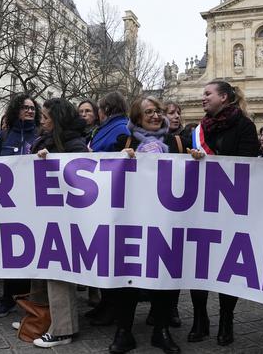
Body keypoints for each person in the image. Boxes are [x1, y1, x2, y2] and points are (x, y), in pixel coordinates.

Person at [188, 80, 260, 347]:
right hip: (199, 208)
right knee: (198, 266)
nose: (203, 98)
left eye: (208, 94)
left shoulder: (244, 127)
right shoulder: (196, 130)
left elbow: (247, 166)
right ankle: (199, 317)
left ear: (225, 98)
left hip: (230, 208)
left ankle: (226, 319)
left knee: (226, 267)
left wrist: (210, 160)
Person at [109, 95, 182, 354]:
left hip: (165, 222)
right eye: (148, 112)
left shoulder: (176, 142)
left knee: (163, 276)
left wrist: (197, 162)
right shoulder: (124, 141)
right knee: (127, 277)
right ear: (137, 118)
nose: (154, 116)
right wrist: (120, 158)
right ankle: (124, 331)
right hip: (132, 221)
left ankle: (160, 331)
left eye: (158, 111)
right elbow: (100, 171)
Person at [28, 97, 88, 348]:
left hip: (65, 219)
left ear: (58, 119)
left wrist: (51, 162)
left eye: (45, 117)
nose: (41, 121)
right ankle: (41, 319)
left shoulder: (74, 145)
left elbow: (79, 182)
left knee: (59, 272)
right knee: (43, 269)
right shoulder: (44, 140)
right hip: (43, 215)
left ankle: (63, 329)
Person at [84, 91, 131, 327]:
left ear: (106, 109)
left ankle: (112, 307)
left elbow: (120, 159)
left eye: (100, 108)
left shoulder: (121, 129)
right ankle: (106, 302)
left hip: (111, 198)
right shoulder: (107, 128)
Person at [0, 93, 40, 317]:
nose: (30, 111)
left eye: (32, 108)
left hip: (33, 204)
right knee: (10, 250)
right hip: (7, 204)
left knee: (30, 250)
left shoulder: (40, 135)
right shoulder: (3, 136)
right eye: (25, 108)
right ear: (15, 110)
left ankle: (29, 297)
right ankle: (8, 298)